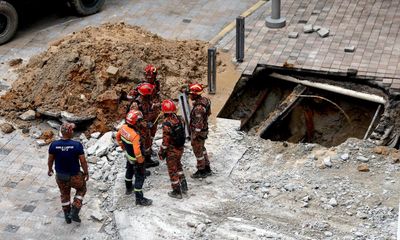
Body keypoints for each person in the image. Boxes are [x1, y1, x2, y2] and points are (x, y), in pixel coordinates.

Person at [47, 122, 89, 224]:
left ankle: (67, 216)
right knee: (81, 189)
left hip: (61, 176)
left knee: (64, 194)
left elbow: (50, 160)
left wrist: (50, 169)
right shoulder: (77, 145)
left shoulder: (54, 145)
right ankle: (75, 208)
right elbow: (83, 161)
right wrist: (86, 172)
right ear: (70, 133)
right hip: (75, 176)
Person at [116, 110, 153, 206]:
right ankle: (139, 199)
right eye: (139, 121)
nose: (140, 122)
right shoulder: (135, 136)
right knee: (140, 177)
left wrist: (123, 147)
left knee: (129, 170)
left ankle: (128, 188)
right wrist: (141, 162)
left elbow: (118, 137)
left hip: (129, 156)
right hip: (136, 159)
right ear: (135, 122)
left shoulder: (123, 128)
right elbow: (137, 151)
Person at [158, 99, 188, 199]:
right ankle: (184, 185)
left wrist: (161, 153)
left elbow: (165, 142)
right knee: (178, 165)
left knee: (172, 170)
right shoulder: (180, 119)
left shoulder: (166, 124)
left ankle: (177, 191)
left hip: (172, 151)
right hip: (180, 148)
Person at [128, 83, 160, 168]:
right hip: (139, 129)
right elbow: (134, 118)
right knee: (141, 146)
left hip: (146, 129)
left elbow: (149, 108)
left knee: (147, 144)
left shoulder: (146, 100)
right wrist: (145, 124)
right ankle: (141, 166)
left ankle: (147, 160)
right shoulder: (136, 104)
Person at [188, 83, 212, 179]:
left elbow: (199, 124)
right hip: (204, 130)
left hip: (199, 132)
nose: (190, 95)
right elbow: (209, 113)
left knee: (198, 150)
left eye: (191, 94)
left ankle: (201, 170)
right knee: (202, 148)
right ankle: (207, 167)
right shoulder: (206, 101)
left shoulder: (198, 108)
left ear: (195, 94)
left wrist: (195, 135)